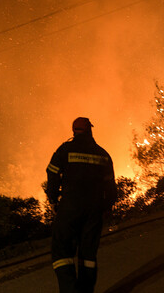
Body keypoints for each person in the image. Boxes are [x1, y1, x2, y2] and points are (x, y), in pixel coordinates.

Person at [45, 117, 117, 293]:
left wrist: (53, 200)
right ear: (90, 130)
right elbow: (111, 185)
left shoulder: (64, 150)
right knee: (88, 255)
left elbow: (52, 173)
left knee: (62, 251)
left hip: (70, 207)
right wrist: (107, 207)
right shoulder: (103, 154)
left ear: (73, 131)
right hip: (94, 210)